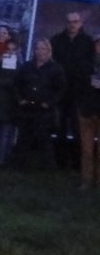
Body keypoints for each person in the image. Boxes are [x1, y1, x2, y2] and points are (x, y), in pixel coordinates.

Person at [50, 11, 95, 169]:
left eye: (75, 21)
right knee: (59, 126)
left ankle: (77, 161)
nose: (72, 24)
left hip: (79, 92)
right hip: (60, 91)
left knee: (78, 128)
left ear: (80, 23)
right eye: (69, 21)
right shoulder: (56, 40)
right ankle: (59, 160)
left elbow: (91, 65)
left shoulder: (87, 42)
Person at [14, 38, 66, 169]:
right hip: (27, 108)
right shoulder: (26, 66)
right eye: (37, 48)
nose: (40, 51)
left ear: (48, 51)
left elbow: (61, 89)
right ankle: (19, 165)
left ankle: (48, 167)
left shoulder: (56, 69)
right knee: (24, 138)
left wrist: (49, 103)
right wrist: (20, 99)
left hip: (44, 110)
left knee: (44, 139)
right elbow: (16, 84)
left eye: (43, 48)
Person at [76, 34, 100, 190]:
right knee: (86, 149)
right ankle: (86, 180)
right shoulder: (85, 63)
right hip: (86, 110)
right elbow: (78, 83)